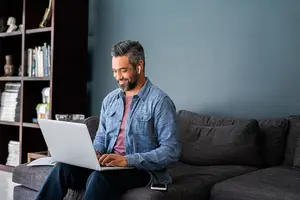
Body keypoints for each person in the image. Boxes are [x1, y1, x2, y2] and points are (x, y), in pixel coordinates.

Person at [35, 40, 181, 200]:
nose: (118, 77)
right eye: (114, 71)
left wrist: (126, 160)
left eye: (123, 70)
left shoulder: (160, 101)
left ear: (139, 66)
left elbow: (171, 151)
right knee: (63, 168)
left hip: (141, 171)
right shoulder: (110, 100)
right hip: (109, 165)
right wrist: (95, 153)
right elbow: (102, 137)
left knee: (99, 179)